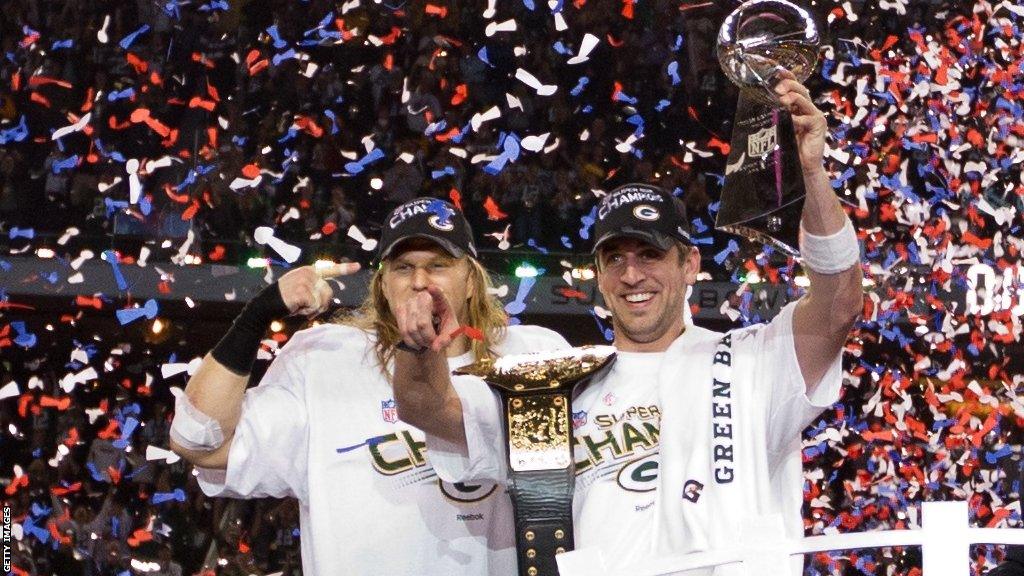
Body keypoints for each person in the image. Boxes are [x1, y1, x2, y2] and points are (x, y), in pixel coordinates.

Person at [392, 73, 864, 575]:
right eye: (614, 258)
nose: (632, 274)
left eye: (650, 254)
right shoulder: (554, 391)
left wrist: (812, 173)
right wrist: (416, 347)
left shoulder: (752, 363)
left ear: (689, 265)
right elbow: (429, 409)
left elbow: (838, 306)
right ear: (597, 275)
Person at [169, 197, 568, 575]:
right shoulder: (327, 361)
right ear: (383, 284)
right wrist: (255, 316)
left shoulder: (529, 359)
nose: (420, 281)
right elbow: (199, 441)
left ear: (471, 280)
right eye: (403, 267)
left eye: (439, 265)